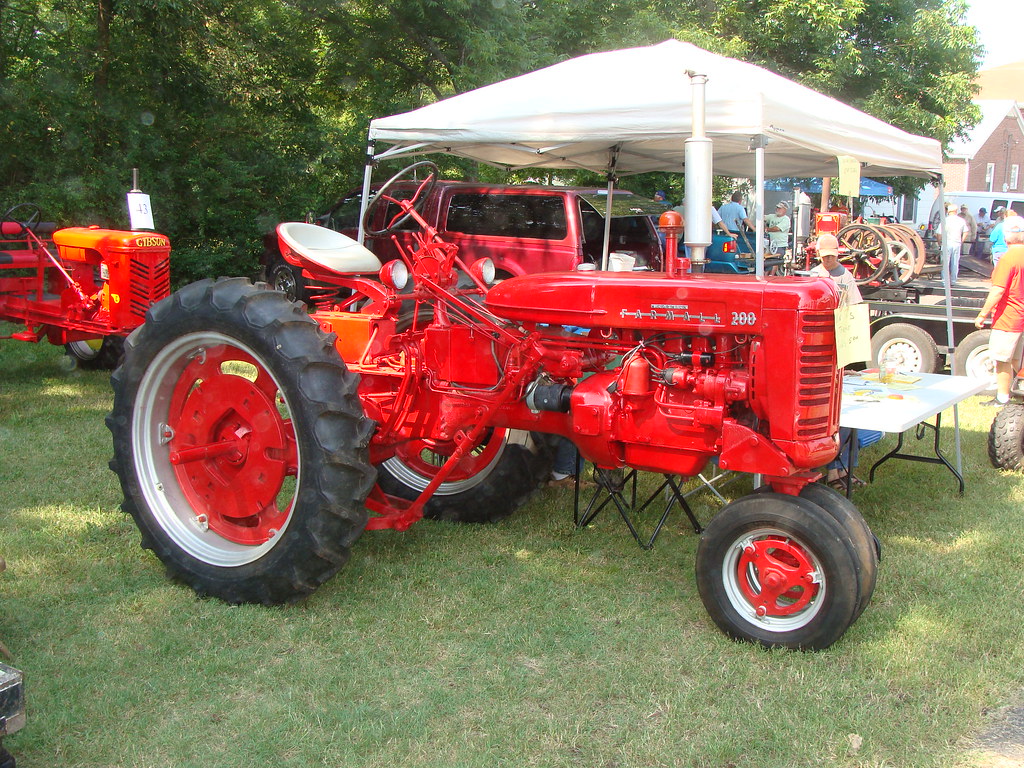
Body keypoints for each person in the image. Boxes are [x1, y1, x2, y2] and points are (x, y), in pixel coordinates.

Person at [811, 234, 865, 488]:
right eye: (825, 257)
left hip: (838, 337)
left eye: (832, 256)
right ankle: (832, 470)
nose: (829, 261)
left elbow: (855, 307)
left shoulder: (845, 276)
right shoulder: (813, 276)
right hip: (820, 341)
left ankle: (840, 471)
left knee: (845, 413)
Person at [975, 215, 1024, 407]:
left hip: (1009, 316)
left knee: (1002, 359)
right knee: (1015, 361)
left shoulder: (1008, 258)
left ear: (1007, 236)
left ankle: (1002, 397)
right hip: (1020, 317)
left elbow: (998, 289)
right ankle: (1014, 395)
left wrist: (982, 314)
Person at [943, 203, 968, 286]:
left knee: (945, 262)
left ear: (948, 211)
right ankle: (953, 281)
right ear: (956, 211)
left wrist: (940, 241)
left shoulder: (945, 220)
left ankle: (945, 281)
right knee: (955, 263)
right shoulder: (961, 220)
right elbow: (966, 232)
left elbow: (939, 233)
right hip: (957, 243)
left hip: (947, 243)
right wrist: (961, 241)